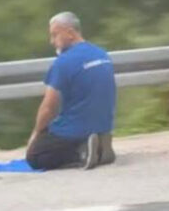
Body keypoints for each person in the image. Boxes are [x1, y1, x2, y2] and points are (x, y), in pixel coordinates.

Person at [26, 12, 117, 170]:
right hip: (104, 126)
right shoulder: (102, 54)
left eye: (55, 35)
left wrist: (35, 134)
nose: (52, 41)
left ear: (70, 33)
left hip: (76, 130)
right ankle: (100, 146)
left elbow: (49, 107)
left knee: (35, 156)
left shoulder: (63, 62)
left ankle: (83, 152)